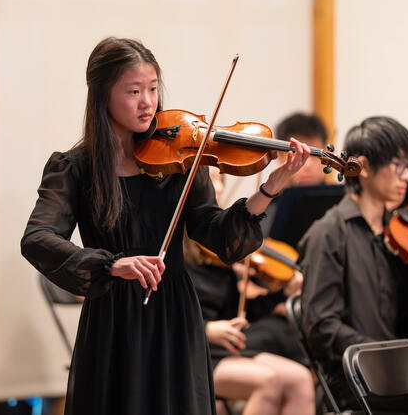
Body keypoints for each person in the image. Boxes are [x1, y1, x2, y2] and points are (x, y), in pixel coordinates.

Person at [20, 37, 311, 415]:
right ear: (102, 95)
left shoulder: (181, 159)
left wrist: (270, 187)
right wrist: (111, 264)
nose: (148, 102)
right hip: (114, 318)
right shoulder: (75, 167)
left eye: (153, 89)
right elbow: (38, 238)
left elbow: (219, 235)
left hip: (175, 315)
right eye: (134, 91)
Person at [299, 116, 408, 413]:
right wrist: (386, 354)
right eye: (399, 165)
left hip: (402, 376)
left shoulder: (401, 234)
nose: (407, 177)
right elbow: (323, 327)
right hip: (358, 384)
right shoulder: (329, 234)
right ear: (365, 167)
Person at [185, 167, 314, 415]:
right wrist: (206, 329)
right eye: (210, 181)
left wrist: (282, 293)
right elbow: (160, 311)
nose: (219, 188)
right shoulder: (175, 247)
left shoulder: (220, 249)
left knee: (300, 380)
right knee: (269, 382)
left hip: (222, 350)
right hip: (190, 352)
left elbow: (243, 309)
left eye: (220, 180)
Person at [274, 112, 329, 187]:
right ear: (280, 155)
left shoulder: (342, 197)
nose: (308, 164)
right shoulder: (265, 197)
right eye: (298, 154)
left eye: (316, 154)